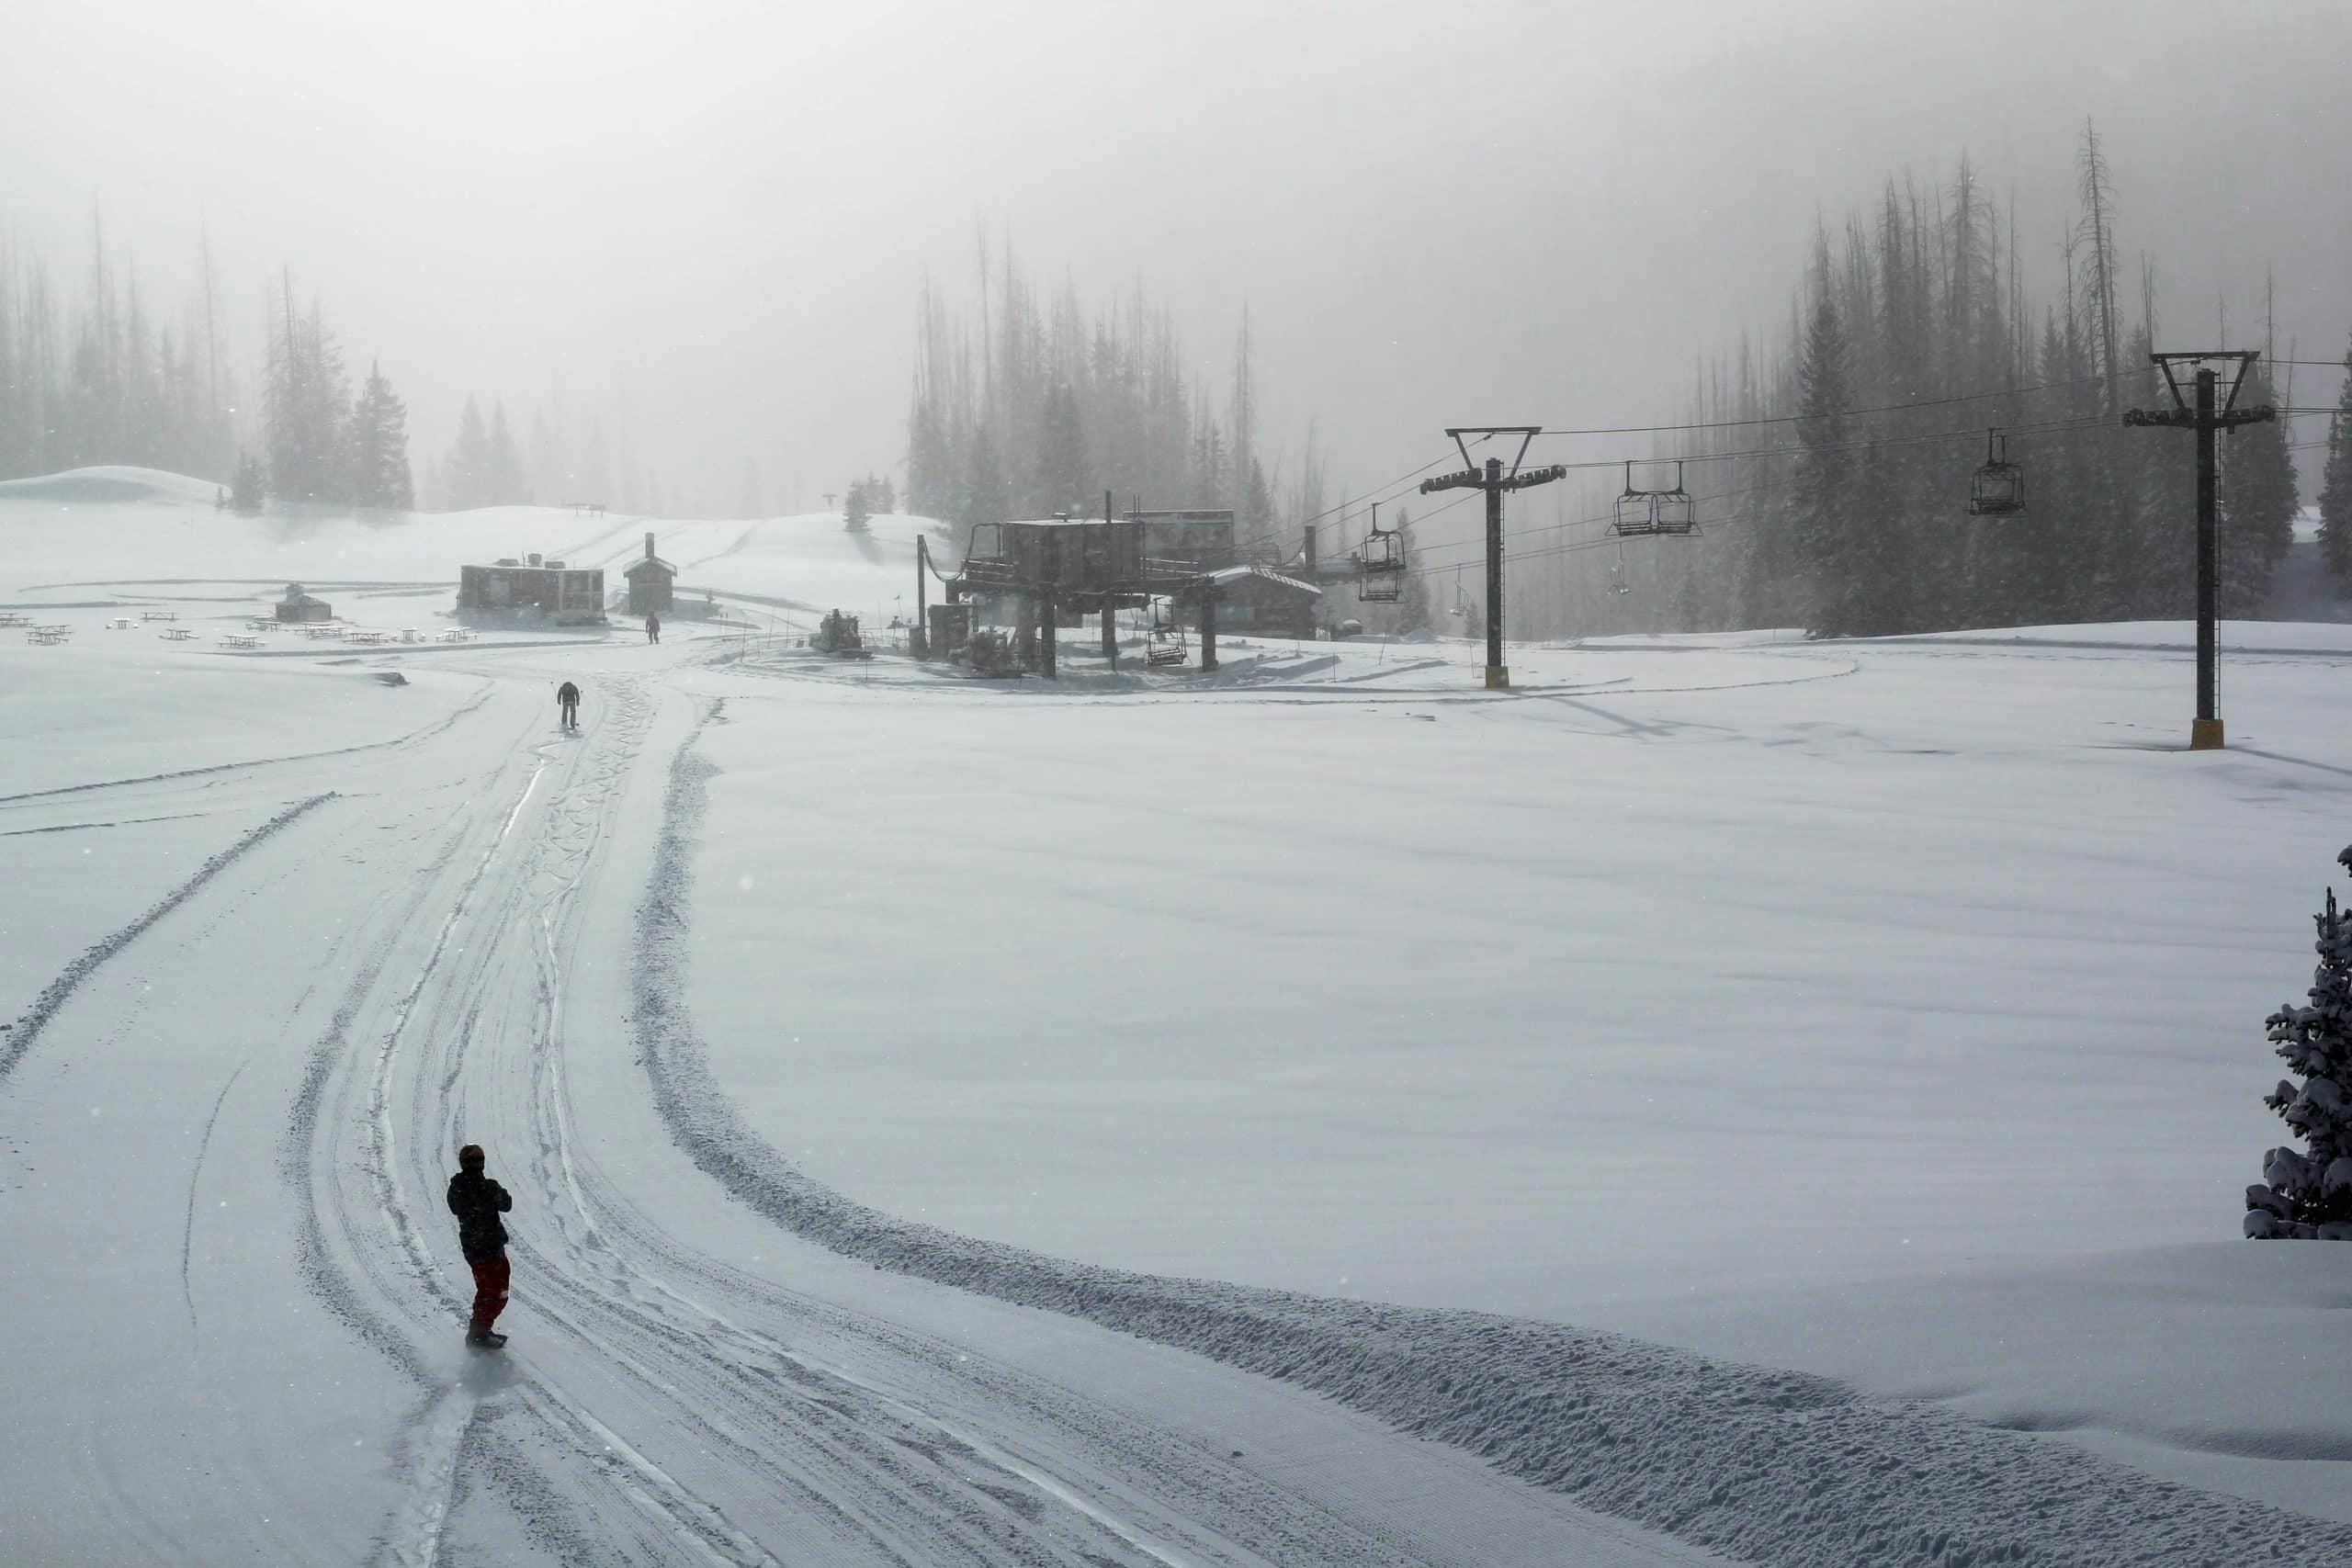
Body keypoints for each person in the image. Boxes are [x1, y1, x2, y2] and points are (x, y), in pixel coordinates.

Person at [447, 1144, 513, 1348]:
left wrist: (492, 1192)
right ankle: (479, 1332)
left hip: (484, 1247)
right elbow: (458, 1207)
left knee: (492, 1290)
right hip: (482, 1248)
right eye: (472, 1161)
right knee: (493, 1291)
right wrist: (488, 1192)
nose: (476, 1166)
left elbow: (506, 1204)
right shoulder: (467, 1187)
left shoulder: (474, 1186)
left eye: (478, 1161)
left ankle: (481, 1330)